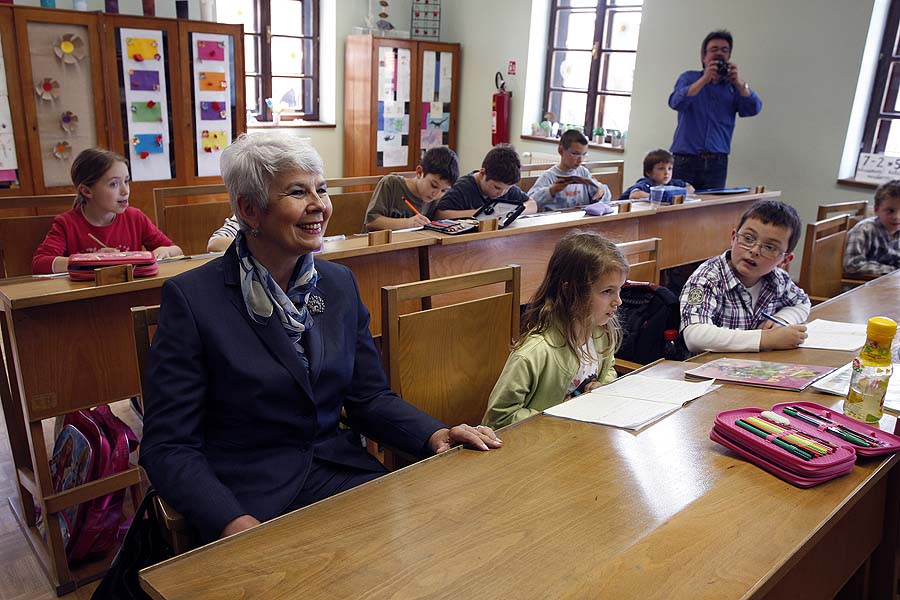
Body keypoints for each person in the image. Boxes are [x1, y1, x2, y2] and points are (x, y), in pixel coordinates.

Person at [140, 131, 501, 544]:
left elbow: (369, 398)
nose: (320, 206)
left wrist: (435, 434)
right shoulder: (192, 299)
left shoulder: (338, 283)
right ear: (249, 210)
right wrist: (231, 522)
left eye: (322, 189)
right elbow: (168, 445)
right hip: (248, 495)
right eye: (298, 192)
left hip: (339, 472)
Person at [482, 231, 627, 430]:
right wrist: (559, 417)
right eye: (607, 291)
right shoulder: (534, 352)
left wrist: (601, 388)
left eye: (620, 289)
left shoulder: (601, 333)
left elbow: (608, 370)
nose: (618, 301)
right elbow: (498, 418)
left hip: (582, 436)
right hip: (543, 443)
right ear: (571, 291)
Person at [679, 199, 810, 353]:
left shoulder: (778, 279)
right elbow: (694, 335)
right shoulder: (707, 278)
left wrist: (783, 319)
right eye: (748, 238)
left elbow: (802, 303)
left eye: (769, 247)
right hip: (709, 365)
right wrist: (766, 339)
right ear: (734, 237)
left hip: (754, 363)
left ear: (785, 260)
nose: (754, 250)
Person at [31, 148, 182, 274]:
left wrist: (166, 251)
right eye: (114, 184)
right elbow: (39, 263)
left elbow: (177, 251)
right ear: (86, 191)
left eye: (126, 181)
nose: (125, 191)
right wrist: (91, 260)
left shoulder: (135, 217)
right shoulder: (66, 223)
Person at [668, 30, 762, 190]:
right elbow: (676, 102)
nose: (719, 53)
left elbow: (754, 109)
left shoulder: (733, 86)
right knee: (680, 203)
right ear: (704, 56)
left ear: (729, 56)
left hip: (717, 163)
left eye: (724, 50)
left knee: (713, 205)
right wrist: (704, 79)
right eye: (714, 49)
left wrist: (739, 83)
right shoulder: (689, 78)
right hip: (685, 160)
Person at [365, 146, 459, 231]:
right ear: (419, 172)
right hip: (380, 243)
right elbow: (372, 222)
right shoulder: (391, 183)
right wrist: (408, 223)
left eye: (444, 190)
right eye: (433, 185)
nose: (436, 194)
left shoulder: (435, 199)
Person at [434, 143, 537, 219]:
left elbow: (532, 204)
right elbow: (439, 214)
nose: (501, 193)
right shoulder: (462, 188)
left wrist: (515, 212)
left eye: (507, 189)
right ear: (482, 173)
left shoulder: (505, 186)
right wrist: (480, 213)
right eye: (496, 187)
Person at [527, 130, 612, 210]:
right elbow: (530, 202)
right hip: (558, 219)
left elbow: (605, 198)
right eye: (575, 154)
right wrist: (551, 191)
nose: (580, 160)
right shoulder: (549, 176)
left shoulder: (583, 172)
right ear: (561, 150)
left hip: (581, 218)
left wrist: (601, 191)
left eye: (584, 155)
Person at [843, 180, 900, 275]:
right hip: (865, 282)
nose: (896, 217)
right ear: (876, 210)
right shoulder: (864, 230)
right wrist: (894, 271)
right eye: (890, 211)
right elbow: (852, 265)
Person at [620, 148, 696, 200]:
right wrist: (662, 197)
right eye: (661, 169)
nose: (667, 173)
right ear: (648, 172)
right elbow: (635, 195)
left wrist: (676, 194)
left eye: (669, 168)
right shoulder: (646, 183)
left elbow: (690, 188)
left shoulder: (672, 183)